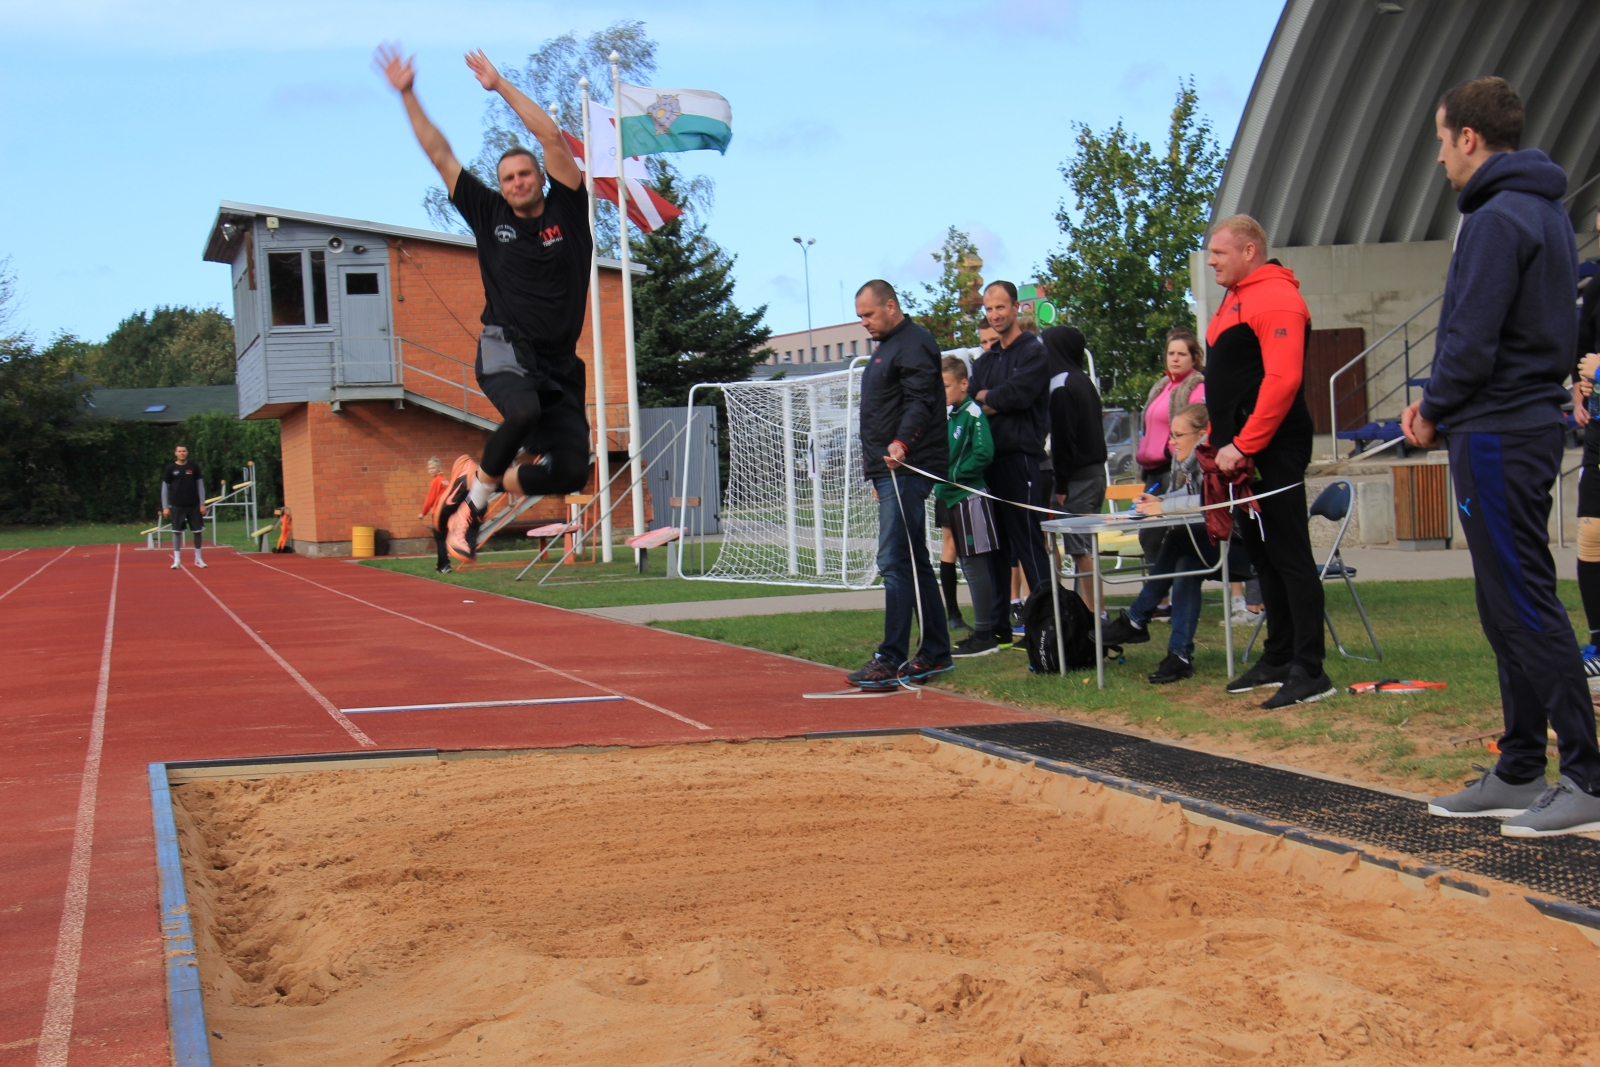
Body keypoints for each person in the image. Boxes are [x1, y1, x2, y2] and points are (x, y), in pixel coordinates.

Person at [1404, 76, 1600, 837]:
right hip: (1514, 424)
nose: (1439, 158)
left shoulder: (1494, 217)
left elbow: (1471, 338)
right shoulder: (1543, 209)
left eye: (1441, 141)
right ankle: (1519, 764)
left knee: (1522, 601)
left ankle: (1584, 771)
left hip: (1497, 428)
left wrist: (1431, 409)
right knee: (1501, 603)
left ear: (1470, 139)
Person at [378, 45, 593, 563]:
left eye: (525, 174)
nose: (518, 182)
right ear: (500, 188)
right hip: (506, 348)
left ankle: (480, 480)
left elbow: (549, 136)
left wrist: (499, 85)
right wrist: (408, 94)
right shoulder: (486, 211)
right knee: (521, 412)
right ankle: (470, 509)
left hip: (560, 365)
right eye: (508, 178)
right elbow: (440, 154)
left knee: (570, 471)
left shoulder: (568, 205)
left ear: (541, 177)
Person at [1205, 214, 1331, 708]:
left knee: (1290, 555)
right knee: (1262, 556)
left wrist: (1247, 444)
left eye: (1219, 252)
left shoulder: (1276, 296)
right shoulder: (1235, 296)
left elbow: (1282, 380)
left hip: (1270, 448)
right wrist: (1221, 445)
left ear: (1249, 251)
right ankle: (1278, 656)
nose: (1211, 260)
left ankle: (1310, 668)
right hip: (1237, 454)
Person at [844, 280, 952, 689]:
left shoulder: (915, 343)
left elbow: (921, 400)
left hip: (908, 467)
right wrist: (876, 471)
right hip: (888, 471)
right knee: (912, 560)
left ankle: (892, 657)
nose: (864, 323)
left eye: (868, 314)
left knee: (893, 561)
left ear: (891, 306)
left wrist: (902, 444)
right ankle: (936, 652)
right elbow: (880, 411)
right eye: (859, 317)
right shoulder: (886, 347)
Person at [1100, 403, 1217, 683]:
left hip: (1238, 550)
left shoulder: (1213, 459)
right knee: (1186, 566)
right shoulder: (1193, 462)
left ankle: (1136, 619)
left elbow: (1211, 502)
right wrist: (1161, 501)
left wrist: (1164, 507)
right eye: (1171, 435)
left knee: (1177, 540)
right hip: (1209, 549)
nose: (1171, 442)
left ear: (1202, 434)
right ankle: (1179, 656)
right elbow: (1188, 493)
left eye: (1178, 435)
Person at [969, 281, 1051, 649]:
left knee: (1029, 546)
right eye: (989, 309)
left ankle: (1050, 625)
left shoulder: (1033, 352)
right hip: (990, 464)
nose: (995, 315)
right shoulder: (986, 361)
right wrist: (992, 399)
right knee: (996, 549)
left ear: (1017, 307)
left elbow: (1019, 395)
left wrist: (992, 398)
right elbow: (972, 401)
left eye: (1001, 307)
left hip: (1021, 461)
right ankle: (998, 628)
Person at [937, 356, 1002, 657]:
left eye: (946, 385)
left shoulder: (973, 413)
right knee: (965, 562)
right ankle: (980, 630)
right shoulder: (950, 415)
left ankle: (985, 634)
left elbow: (984, 452)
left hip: (969, 497)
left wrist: (955, 475)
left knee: (975, 567)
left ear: (964, 384)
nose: (943, 391)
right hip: (950, 496)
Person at [1136, 328, 1207, 588]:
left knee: (1168, 534)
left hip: (1174, 468)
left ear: (1193, 358)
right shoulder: (1162, 386)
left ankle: (1166, 592)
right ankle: (1159, 597)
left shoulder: (1196, 386)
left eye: (1181, 354)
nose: (1175, 359)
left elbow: (1200, 425)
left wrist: (1169, 451)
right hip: (1151, 469)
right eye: (1170, 353)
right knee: (1148, 534)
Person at [1042, 326, 1107, 604]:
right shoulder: (1083, 380)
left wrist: (1063, 483)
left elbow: (1064, 438)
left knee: (1080, 550)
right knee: (1085, 547)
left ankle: (1096, 614)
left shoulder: (1061, 385)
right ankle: (1087, 612)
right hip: (1095, 474)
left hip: (1078, 479)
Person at [1570, 208, 1600, 683]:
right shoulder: (1595, 290)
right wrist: (1581, 388)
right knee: (1591, 538)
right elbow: (1579, 353)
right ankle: (1598, 642)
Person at [162, 445, 208, 570]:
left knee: (197, 531)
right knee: (177, 532)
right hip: (177, 505)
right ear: (175, 453)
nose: (182, 453)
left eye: (184, 451)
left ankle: (198, 558)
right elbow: (165, 488)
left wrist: (202, 504)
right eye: (179, 451)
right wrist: (165, 506)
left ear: (187, 453)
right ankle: (177, 560)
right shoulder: (170, 468)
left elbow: (200, 485)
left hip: (193, 504)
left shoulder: (193, 467)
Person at [419, 456, 451, 573]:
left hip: (438, 513)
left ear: (438, 468)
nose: (430, 470)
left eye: (433, 468)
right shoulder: (445, 480)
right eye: (429, 468)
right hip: (446, 512)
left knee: (440, 539)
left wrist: (423, 513)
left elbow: (430, 499)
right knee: (442, 538)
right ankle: (440, 565)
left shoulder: (436, 481)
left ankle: (445, 565)